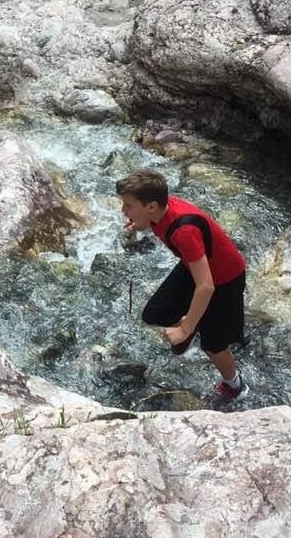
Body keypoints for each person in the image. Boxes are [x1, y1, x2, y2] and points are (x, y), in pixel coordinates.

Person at [117, 169, 249, 406]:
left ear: (151, 207)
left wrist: (185, 329)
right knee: (155, 314)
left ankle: (235, 385)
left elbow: (206, 286)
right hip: (196, 267)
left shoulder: (184, 231)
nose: (123, 211)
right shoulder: (158, 214)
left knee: (214, 346)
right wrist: (138, 225)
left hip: (224, 280)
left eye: (128, 205)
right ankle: (196, 318)